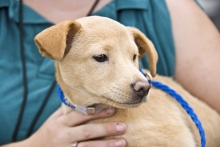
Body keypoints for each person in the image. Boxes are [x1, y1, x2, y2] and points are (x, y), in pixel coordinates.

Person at [0, 0, 219, 146]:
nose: (139, 81)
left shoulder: (169, 7)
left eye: (134, 57)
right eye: (101, 58)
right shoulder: (62, 37)